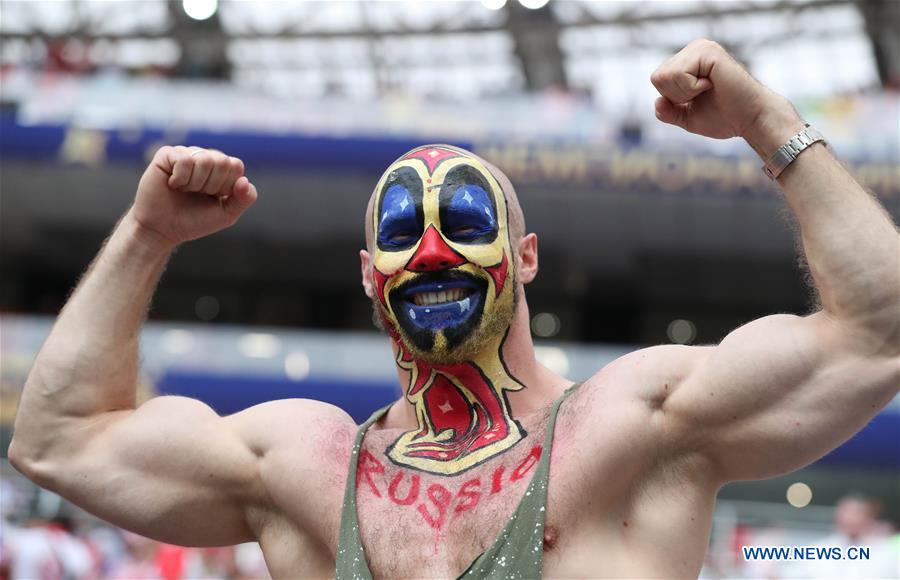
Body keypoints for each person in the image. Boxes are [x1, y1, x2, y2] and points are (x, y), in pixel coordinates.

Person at [8, 40, 899, 578]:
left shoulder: (639, 423)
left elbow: (877, 330)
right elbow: (57, 438)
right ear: (370, 273)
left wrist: (764, 119)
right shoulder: (300, 467)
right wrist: (144, 234)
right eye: (403, 233)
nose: (430, 252)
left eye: (463, 223)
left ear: (526, 257)